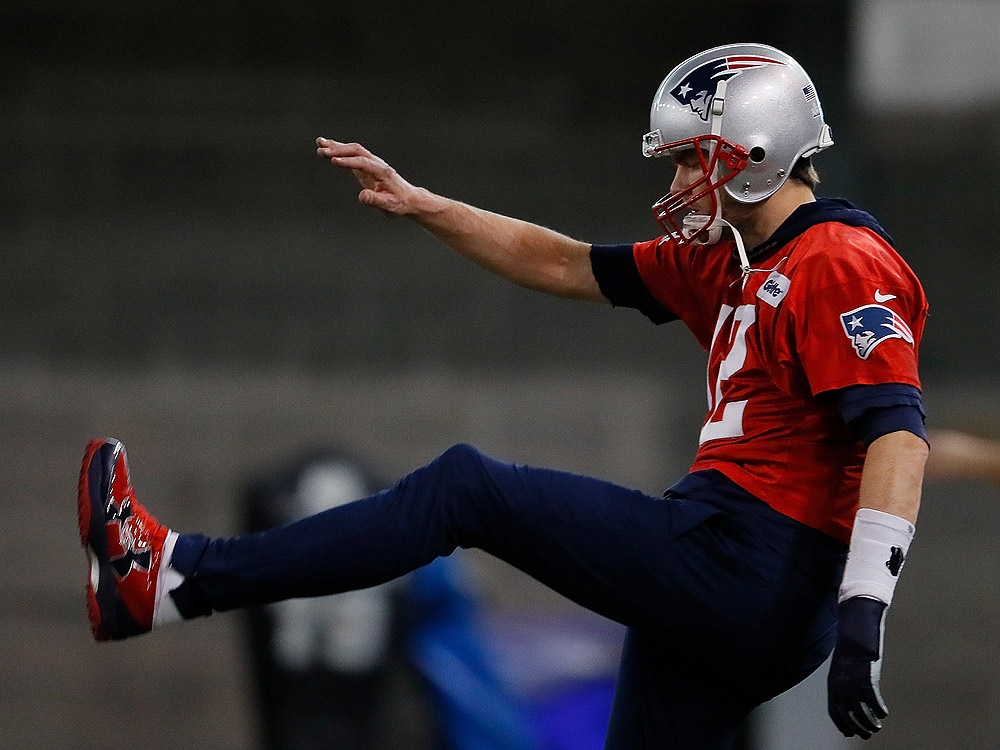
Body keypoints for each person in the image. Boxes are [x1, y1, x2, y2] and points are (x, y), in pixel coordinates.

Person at [77, 43, 929, 749]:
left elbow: (897, 435)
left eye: (691, 161)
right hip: (740, 581)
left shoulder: (838, 260)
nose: (678, 185)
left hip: (749, 563)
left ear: (753, 152)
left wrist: (865, 614)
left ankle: (179, 575)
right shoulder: (734, 259)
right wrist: (423, 205)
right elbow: (561, 261)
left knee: (465, 487)